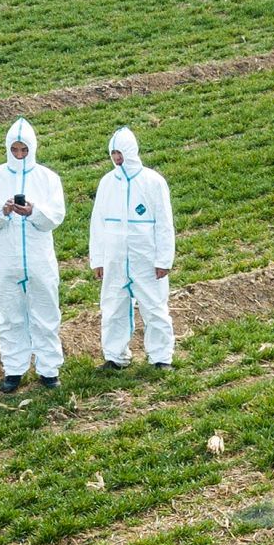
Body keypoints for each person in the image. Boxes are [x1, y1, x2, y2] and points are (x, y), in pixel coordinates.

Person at [0, 118, 66, 391]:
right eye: (14, 150)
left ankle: (49, 369)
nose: (19, 155)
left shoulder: (48, 178)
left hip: (39, 258)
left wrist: (33, 212)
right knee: (10, 314)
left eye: (24, 150)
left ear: (32, 148)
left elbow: (56, 216)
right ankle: (13, 368)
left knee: (46, 312)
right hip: (6, 258)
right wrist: (2, 212)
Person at [87, 126, 176, 370]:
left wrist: (163, 259)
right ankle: (115, 356)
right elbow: (98, 222)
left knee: (154, 306)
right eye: (113, 153)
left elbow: (164, 223)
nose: (117, 158)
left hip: (145, 258)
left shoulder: (153, 181)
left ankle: (161, 357)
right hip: (115, 259)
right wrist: (98, 259)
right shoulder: (107, 182)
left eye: (120, 152)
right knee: (113, 306)